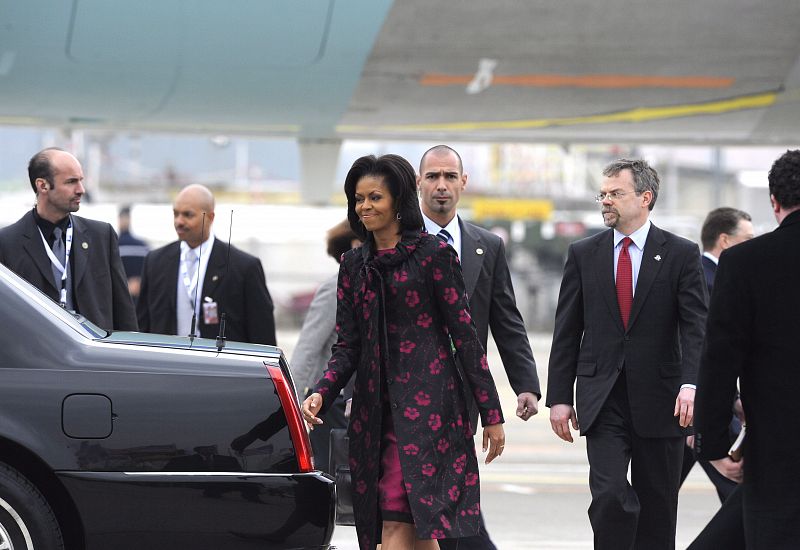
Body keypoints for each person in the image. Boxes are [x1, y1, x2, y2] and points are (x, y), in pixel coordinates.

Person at [301, 154, 505, 550]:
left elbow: (466, 338)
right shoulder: (353, 266)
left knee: (396, 523)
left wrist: (492, 415)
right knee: (415, 528)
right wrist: (321, 394)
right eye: (358, 199)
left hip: (429, 414)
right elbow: (347, 347)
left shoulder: (433, 255)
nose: (365, 207)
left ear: (397, 201)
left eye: (375, 197)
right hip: (372, 416)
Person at [546, 158, 708, 550]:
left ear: (645, 198)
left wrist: (691, 384)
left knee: (658, 508)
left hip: (663, 399)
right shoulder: (584, 253)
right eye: (602, 194)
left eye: (615, 194)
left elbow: (695, 328)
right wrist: (559, 398)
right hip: (602, 398)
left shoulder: (681, 254)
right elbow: (567, 330)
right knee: (610, 496)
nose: (606, 202)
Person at [417, 144, 541, 550]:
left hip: (461, 396)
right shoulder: (397, 242)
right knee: (419, 501)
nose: (441, 186)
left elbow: (506, 320)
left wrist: (525, 384)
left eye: (450, 177)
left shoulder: (486, 246)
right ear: (418, 183)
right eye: (433, 176)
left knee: (450, 494)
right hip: (405, 395)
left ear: (463, 183)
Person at [694, 149, 800, 548]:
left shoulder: (744, 262)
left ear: (774, 203)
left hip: (776, 448)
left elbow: (720, 358)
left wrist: (714, 443)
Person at [0, 148, 137, 332]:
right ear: (43, 185)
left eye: (81, 180)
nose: (81, 190)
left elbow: (124, 312)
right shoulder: (7, 243)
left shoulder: (102, 236)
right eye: (71, 182)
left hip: (95, 356)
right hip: (35, 357)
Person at [136, 184, 277, 345]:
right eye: (176, 214)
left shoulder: (243, 267)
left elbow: (262, 335)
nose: (179, 221)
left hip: (219, 367)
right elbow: (142, 326)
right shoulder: (155, 262)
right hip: (167, 365)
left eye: (188, 215)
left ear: (210, 217)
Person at [679, 207, 753, 502]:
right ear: (724, 240)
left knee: (656, 498)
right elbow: (700, 347)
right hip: (701, 407)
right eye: (747, 238)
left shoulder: (712, 275)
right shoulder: (707, 280)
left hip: (698, 407)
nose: (753, 244)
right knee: (740, 492)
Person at [291, 219, 361, 473]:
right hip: (333, 407)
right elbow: (307, 350)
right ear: (355, 246)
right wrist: (293, 413)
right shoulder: (335, 287)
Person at [117, 205, 150, 303]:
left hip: (127, 296)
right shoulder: (142, 245)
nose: (124, 221)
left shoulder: (113, 245)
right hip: (131, 296)